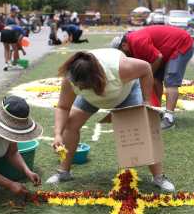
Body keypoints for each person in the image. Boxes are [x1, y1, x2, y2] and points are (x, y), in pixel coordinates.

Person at [46, 49, 176, 192]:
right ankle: (64, 172)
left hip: (125, 93)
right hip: (90, 99)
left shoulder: (121, 67)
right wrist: (58, 134)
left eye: (87, 86)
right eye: (81, 87)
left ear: (98, 76)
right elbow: (63, 107)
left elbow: (145, 68)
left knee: (142, 128)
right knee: (70, 124)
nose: (83, 88)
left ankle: (159, 177)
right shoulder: (71, 78)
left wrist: (146, 100)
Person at [111, 25, 194, 130]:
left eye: (121, 53)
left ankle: (169, 118)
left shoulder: (137, 41)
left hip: (181, 45)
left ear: (124, 45)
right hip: (167, 50)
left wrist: (148, 75)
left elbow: (157, 57)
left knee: (170, 81)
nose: (123, 57)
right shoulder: (131, 43)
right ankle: (157, 111)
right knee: (155, 80)